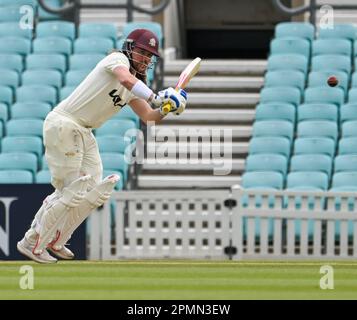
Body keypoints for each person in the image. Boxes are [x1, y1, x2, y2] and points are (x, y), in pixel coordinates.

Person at [17, 28, 187, 264]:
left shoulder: (134, 88)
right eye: (142, 52)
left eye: (150, 56)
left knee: (94, 188)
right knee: (72, 189)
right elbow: (125, 79)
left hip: (84, 130)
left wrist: (168, 109)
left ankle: (57, 239)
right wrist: (156, 97)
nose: (146, 59)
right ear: (129, 48)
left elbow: (149, 117)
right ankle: (31, 242)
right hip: (64, 123)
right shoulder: (116, 59)